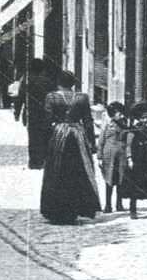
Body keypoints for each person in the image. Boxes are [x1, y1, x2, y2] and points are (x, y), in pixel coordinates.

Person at [40, 93, 101, 225]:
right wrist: (91, 142)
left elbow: (47, 120)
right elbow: (88, 121)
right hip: (77, 136)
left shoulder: (52, 97)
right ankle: (78, 208)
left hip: (59, 135)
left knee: (57, 171)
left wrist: (46, 142)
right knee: (79, 171)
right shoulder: (82, 97)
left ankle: (57, 210)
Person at [14, 58, 59, 170]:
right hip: (46, 114)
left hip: (31, 113)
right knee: (46, 136)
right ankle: (45, 160)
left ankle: (34, 162)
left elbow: (20, 97)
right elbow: (54, 98)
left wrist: (17, 112)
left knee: (33, 137)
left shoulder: (27, 80)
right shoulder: (47, 81)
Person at [98, 100, 128, 213]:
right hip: (109, 156)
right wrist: (99, 157)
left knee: (120, 179)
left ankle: (119, 204)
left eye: (122, 113)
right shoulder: (107, 125)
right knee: (109, 179)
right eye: (119, 113)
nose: (122, 115)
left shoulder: (125, 125)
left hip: (121, 155)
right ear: (113, 114)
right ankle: (108, 205)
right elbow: (101, 141)